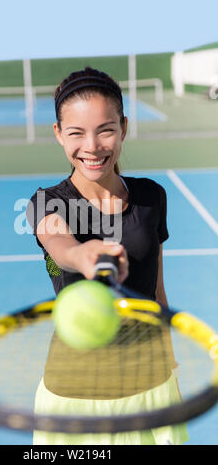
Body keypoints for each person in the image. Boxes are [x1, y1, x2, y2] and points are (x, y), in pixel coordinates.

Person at [26, 67, 189, 445]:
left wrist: (170, 365)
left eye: (105, 129)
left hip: (150, 382)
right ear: (58, 134)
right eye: (76, 133)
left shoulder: (152, 197)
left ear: (124, 128)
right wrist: (84, 256)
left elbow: (156, 290)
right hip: (74, 394)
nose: (92, 146)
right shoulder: (47, 203)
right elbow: (59, 245)